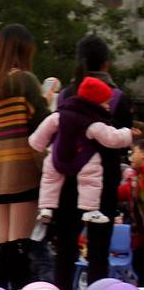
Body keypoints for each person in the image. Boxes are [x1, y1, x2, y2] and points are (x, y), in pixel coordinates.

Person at [50, 35, 134, 290]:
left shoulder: (64, 95)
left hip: (66, 180)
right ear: (106, 64)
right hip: (102, 184)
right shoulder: (118, 97)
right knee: (98, 250)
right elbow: (123, 140)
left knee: (65, 248)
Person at [0, 24, 49, 289]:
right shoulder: (26, 80)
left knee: (2, 237)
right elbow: (41, 121)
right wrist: (48, 99)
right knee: (21, 240)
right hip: (20, 167)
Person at [29, 76, 135, 226]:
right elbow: (112, 138)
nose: (108, 106)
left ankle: (46, 208)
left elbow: (43, 130)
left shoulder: (59, 115)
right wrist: (128, 133)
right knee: (92, 179)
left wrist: (36, 144)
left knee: (50, 180)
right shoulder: (93, 122)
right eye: (105, 102)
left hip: (57, 156)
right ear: (95, 103)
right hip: (83, 160)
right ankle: (90, 210)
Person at [118, 139, 144, 283]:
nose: (130, 156)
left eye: (133, 152)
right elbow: (120, 193)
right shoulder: (135, 179)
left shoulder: (137, 181)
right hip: (139, 240)